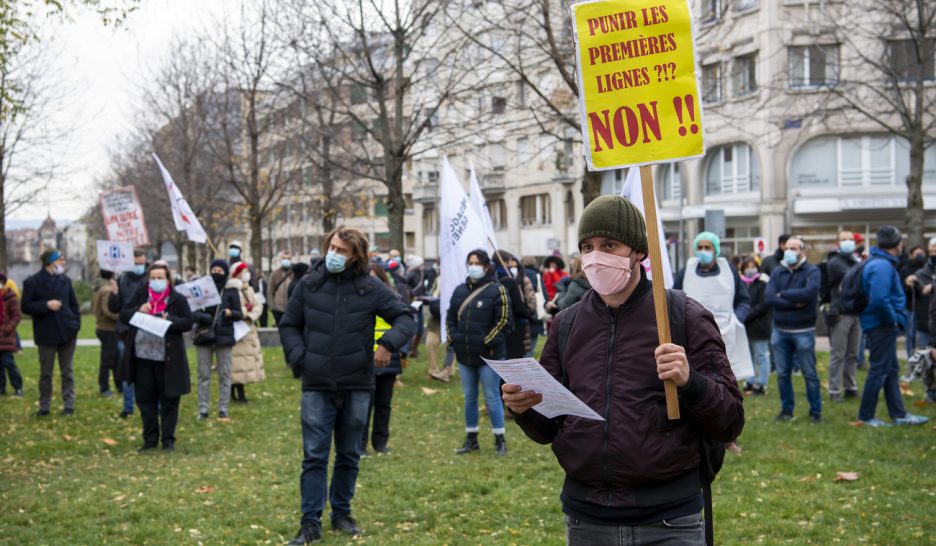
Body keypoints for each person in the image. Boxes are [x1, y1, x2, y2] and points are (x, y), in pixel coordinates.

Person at [503, 195, 744, 545]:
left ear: (639, 252)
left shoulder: (684, 316)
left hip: (670, 521)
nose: (596, 256)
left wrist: (691, 383)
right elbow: (548, 428)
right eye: (587, 246)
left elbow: (731, 420)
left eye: (609, 245)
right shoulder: (566, 325)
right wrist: (523, 408)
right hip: (587, 519)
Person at [280, 226, 415, 544]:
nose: (335, 254)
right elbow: (289, 324)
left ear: (356, 255)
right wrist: (301, 358)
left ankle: (341, 513)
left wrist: (387, 345)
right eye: (332, 247)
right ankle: (310, 522)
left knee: (349, 454)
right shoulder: (308, 284)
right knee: (314, 456)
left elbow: (405, 317)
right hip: (316, 384)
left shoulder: (369, 287)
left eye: (342, 251)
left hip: (357, 383)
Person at [857, 226, 929, 427]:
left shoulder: (880, 263)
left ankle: (899, 414)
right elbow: (879, 299)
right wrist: (893, 320)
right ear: (898, 245)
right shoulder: (882, 266)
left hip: (880, 324)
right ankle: (866, 415)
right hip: (881, 325)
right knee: (879, 369)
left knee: (890, 370)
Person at [117, 261, 193, 451]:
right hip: (142, 357)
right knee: (145, 401)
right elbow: (124, 314)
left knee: (169, 401)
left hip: (168, 359)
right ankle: (150, 440)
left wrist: (170, 320)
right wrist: (137, 310)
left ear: (168, 280)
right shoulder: (141, 295)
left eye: (160, 278)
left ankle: (168, 440)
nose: (156, 281)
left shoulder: (178, 299)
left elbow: (188, 323)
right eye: (153, 278)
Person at [446, 249, 512, 457]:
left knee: (492, 397)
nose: (473, 266)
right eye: (470, 262)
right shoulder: (459, 290)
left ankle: (499, 438)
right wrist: (453, 339)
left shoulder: (497, 289)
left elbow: (503, 321)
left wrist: (487, 342)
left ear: (485, 266)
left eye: (477, 263)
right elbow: (450, 318)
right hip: (465, 355)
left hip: (489, 356)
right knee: (470, 397)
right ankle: (471, 437)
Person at [674, 232, 753, 385]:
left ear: (715, 250)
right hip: (693, 334)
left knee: (727, 380)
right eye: (700, 247)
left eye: (707, 247)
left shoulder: (729, 270)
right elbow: (675, 301)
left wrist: (737, 319)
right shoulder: (686, 272)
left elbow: (744, 300)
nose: (703, 251)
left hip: (726, 333)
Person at [765, 236, 823, 423]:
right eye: (787, 248)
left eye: (794, 248)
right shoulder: (777, 272)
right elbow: (769, 297)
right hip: (780, 330)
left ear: (803, 252)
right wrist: (795, 303)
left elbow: (810, 294)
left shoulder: (812, 271)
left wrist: (784, 295)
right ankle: (786, 410)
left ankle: (816, 411)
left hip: (803, 330)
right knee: (782, 374)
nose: (789, 251)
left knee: (809, 373)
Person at [21, 249, 80, 416]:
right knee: (46, 372)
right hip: (46, 334)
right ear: (50, 262)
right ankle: (44, 406)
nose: (64, 262)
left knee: (67, 371)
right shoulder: (32, 282)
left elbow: (74, 305)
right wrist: (46, 305)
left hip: (67, 333)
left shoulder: (65, 280)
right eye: (61, 259)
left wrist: (75, 324)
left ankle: (69, 404)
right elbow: (25, 306)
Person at [360, 264, 405, 455]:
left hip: (388, 358)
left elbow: (403, 326)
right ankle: (360, 445)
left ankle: (380, 443)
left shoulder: (393, 300)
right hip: (365, 359)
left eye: (374, 277)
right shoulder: (359, 301)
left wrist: (396, 349)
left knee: (383, 404)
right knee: (364, 405)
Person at [193, 259, 243, 420]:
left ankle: (223, 408)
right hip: (204, 335)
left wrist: (230, 313)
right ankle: (203, 409)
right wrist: (203, 316)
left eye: (220, 271)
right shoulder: (202, 289)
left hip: (224, 336)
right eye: (213, 270)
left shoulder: (231, 291)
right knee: (203, 374)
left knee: (225, 374)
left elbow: (239, 314)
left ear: (226, 273)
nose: (216, 273)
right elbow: (192, 310)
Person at [108, 248, 148, 418]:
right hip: (125, 330)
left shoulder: (150, 280)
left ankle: (151, 405)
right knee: (127, 370)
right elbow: (114, 308)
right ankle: (128, 407)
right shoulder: (122, 280)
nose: (140, 267)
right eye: (137, 264)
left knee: (148, 370)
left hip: (146, 329)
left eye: (142, 264)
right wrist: (114, 293)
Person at [826, 231, 862, 402]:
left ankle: (850, 386)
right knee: (838, 354)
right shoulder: (835, 262)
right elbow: (855, 276)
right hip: (840, 313)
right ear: (837, 243)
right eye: (844, 239)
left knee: (853, 354)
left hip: (856, 312)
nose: (848, 242)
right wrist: (864, 263)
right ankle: (834, 390)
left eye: (850, 239)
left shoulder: (856, 260)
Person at [230, 262, 265, 404]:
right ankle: (238, 393)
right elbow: (234, 308)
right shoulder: (232, 289)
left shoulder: (248, 289)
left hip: (249, 328)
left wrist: (251, 315)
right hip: (238, 330)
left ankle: (237, 391)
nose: (247, 274)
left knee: (245, 363)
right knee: (238, 364)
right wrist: (245, 312)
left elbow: (258, 306)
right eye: (243, 271)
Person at [739, 257, 771, 396]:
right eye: (747, 266)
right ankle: (750, 381)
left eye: (753, 266)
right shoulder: (741, 284)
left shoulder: (762, 283)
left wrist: (747, 315)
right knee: (749, 356)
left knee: (761, 355)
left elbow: (763, 305)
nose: (750, 269)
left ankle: (762, 383)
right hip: (745, 327)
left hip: (759, 326)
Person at [494, 250, 530, 359]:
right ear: (505, 262)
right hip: (512, 327)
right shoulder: (509, 281)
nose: (511, 264)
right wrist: (528, 313)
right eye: (509, 261)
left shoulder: (491, 279)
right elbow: (519, 309)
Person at [92, 270, 121, 398]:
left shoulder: (100, 287)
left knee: (115, 359)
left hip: (105, 328)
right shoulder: (106, 290)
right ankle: (104, 388)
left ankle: (119, 386)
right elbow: (109, 310)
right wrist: (122, 317)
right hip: (108, 329)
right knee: (107, 360)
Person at [905, 238, 936, 352]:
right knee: (924, 362)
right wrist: (908, 285)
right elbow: (910, 297)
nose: (934, 254)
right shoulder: (921, 273)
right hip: (925, 324)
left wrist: (933, 287)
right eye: (932, 252)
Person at [0, 272, 23, 397]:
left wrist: (7, 329)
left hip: (6, 337)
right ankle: (1, 388)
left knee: (9, 363)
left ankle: (18, 387)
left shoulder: (10, 298)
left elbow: (16, 316)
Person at [521, 255, 545, 357]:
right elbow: (544, 295)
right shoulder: (537, 275)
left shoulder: (519, 274)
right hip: (535, 316)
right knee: (530, 349)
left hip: (522, 316)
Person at [270, 250, 294, 326]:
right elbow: (270, 291)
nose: (286, 260)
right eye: (284, 258)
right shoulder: (275, 274)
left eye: (288, 259)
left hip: (292, 308)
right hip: (278, 308)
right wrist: (272, 306)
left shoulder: (294, 273)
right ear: (281, 260)